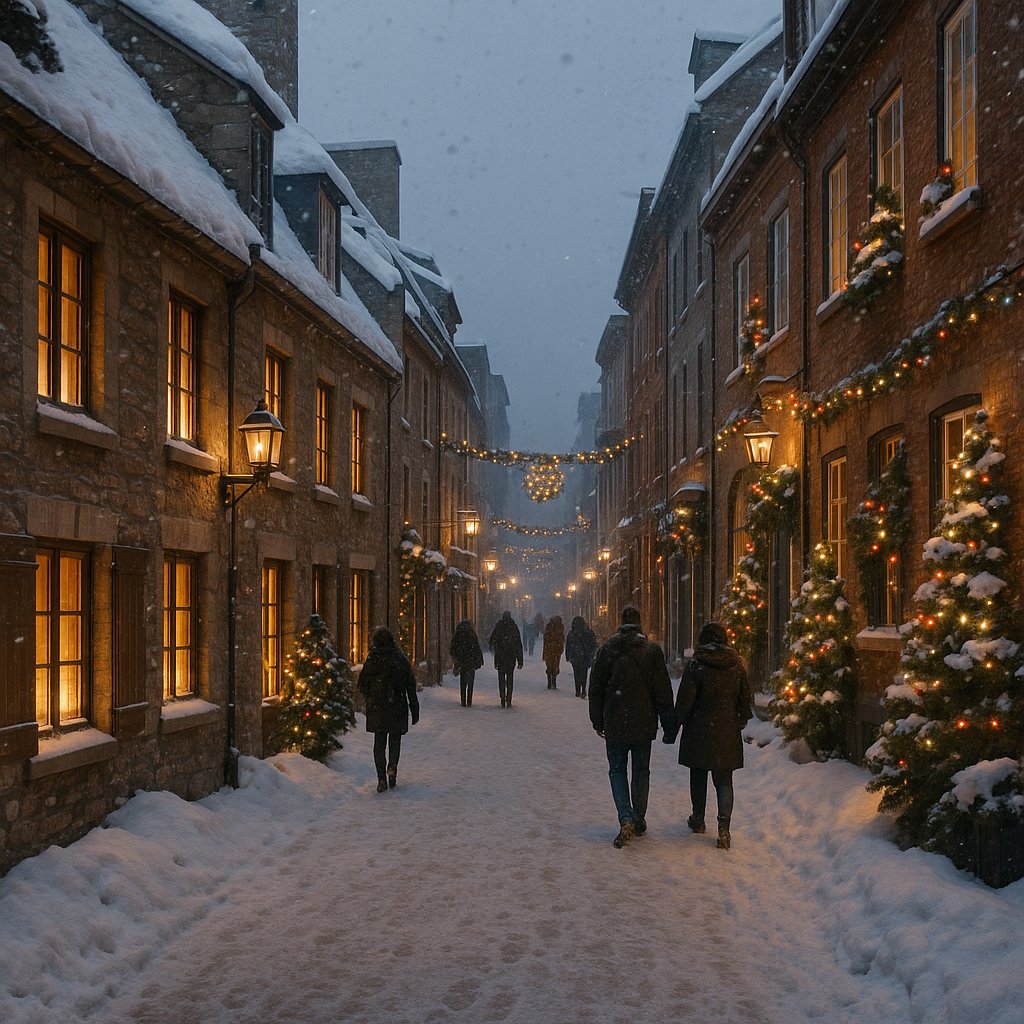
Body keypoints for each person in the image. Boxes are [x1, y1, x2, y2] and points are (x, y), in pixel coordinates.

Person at [589, 606, 674, 848]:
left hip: (615, 721)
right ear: (639, 625)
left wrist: (597, 719)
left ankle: (625, 816)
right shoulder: (651, 652)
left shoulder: (607, 650)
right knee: (641, 770)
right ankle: (638, 817)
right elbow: (662, 691)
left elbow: (596, 686)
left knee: (617, 770)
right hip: (644, 723)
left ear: (620, 623)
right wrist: (668, 724)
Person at [665, 621, 752, 851]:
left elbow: (684, 701)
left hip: (699, 731)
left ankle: (698, 817)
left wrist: (673, 728)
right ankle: (724, 826)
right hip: (726, 731)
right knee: (724, 780)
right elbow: (746, 701)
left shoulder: (696, 666)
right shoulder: (736, 666)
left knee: (698, 774)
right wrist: (738, 721)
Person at [357, 627, 419, 793]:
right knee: (395, 741)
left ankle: (381, 777)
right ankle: (392, 768)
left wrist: (371, 698)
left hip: (378, 707)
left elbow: (363, 684)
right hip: (397, 706)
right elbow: (410, 686)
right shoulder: (400, 659)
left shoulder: (372, 660)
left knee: (379, 742)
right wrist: (414, 708)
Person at [488, 611, 524, 708]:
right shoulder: (513, 627)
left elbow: (492, 639)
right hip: (511, 657)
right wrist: (520, 660)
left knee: (501, 678)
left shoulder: (499, 627)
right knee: (510, 678)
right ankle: (509, 698)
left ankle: (502, 696)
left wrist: (493, 646)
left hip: (500, 657)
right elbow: (518, 645)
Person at [449, 619, 484, 707]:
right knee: (470, 681)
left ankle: (463, 699)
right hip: (471, 662)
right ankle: (469, 699)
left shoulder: (458, 634)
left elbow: (453, 647)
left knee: (463, 681)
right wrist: (478, 659)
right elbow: (477, 648)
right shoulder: (472, 634)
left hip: (462, 661)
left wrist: (457, 657)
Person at [564, 615, 597, 698]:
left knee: (577, 673)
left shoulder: (572, 633)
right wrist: (591, 654)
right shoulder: (588, 632)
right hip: (585, 657)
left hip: (575, 657)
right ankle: (583, 689)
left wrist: (568, 656)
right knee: (584, 673)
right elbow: (593, 644)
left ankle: (577, 690)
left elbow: (568, 645)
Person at [542, 614, 565, 689]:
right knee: (555, 665)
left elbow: (546, 638)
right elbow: (561, 639)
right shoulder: (559, 627)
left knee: (549, 665)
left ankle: (549, 681)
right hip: (556, 650)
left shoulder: (549, 627)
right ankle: (553, 682)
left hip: (549, 649)